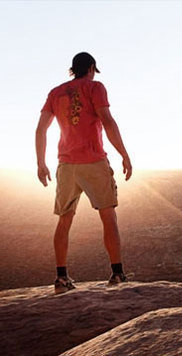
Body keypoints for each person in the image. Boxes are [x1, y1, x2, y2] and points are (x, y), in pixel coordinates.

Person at [35, 52, 132, 294]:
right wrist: (124, 154)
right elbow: (107, 121)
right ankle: (117, 273)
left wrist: (40, 163)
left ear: (72, 70)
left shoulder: (56, 93)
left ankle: (61, 277)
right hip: (93, 161)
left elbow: (41, 129)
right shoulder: (95, 87)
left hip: (66, 164)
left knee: (64, 219)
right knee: (108, 215)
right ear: (90, 68)